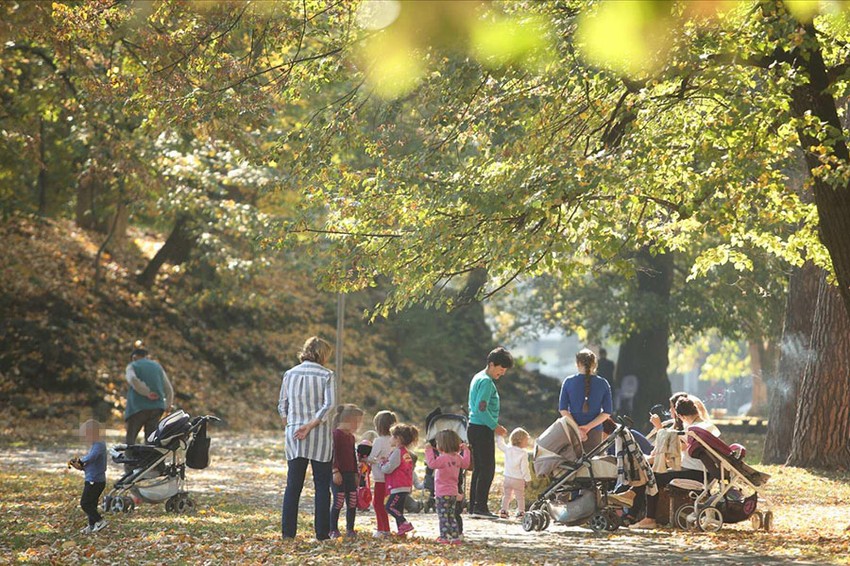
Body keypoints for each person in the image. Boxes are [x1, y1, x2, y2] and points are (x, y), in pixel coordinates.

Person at [631, 397, 721, 529]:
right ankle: (633, 502)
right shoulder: (707, 426)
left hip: (696, 473)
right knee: (655, 474)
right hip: (704, 472)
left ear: (681, 416)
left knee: (652, 478)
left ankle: (649, 518)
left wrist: (659, 428)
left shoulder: (692, 430)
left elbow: (675, 447)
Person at [279, 336, 336, 540]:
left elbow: (282, 405)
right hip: (319, 435)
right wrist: (311, 425)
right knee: (322, 485)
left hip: (295, 435)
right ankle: (322, 533)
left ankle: (288, 533)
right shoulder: (327, 375)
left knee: (293, 485)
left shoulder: (290, 374)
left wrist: (291, 426)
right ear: (322, 354)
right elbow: (329, 405)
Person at [467, 346, 513, 518]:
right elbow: (481, 409)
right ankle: (480, 507)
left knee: (479, 468)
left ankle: (474, 506)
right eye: (501, 369)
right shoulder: (486, 382)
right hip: (482, 428)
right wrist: (495, 426)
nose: (502, 373)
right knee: (487, 469)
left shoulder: (477, 377)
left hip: (474, 427)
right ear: (492, 364)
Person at [558, 348, 613, 453]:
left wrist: (577, 428)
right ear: (594, 364)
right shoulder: (603, 383)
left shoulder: (568, 382)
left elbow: (563, 409)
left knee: (570, 461)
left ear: (578, 364)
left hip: (571, 431)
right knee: (593, 461)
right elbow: (607, 412)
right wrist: (587, 427)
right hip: (595, 432)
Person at [425, 430, 470, 544]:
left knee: (443, 516)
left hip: (442, 493)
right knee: (451, 515)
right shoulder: (457, 458)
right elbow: (466, 464)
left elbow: (431, 464)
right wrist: (466, 450)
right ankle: (455, 537)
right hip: (453, 492)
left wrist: (428, 450)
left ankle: (444, 537)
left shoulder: (443, 459)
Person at [124, 344, 174, 447]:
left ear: (134, 357)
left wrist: (146, 392)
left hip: (137, 408)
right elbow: (168, 388)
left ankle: (128, 457)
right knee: (151, 439)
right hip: (157, 407)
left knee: (131, 439)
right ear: (146, 356)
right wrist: (168, 404)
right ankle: (150, 457)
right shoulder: (157, 366)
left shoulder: (132, 366)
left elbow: (132, 379)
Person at [330, 404, 364, 539]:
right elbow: (333, 454)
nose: (358, 425)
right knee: (338, 501)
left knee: (352, 501)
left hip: (350, 474)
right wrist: (335, 471)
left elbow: (352, 456)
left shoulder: (351, 437)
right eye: (357, 422)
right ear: (348, 420)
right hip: (338, 474)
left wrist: (356, 473)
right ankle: (333, 529)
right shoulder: (336, 435)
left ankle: (350, 529)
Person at [68, 419, 108, 534]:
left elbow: (92, 457)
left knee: (85, 503)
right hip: (92, 479)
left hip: (95, 481)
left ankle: (100, 521)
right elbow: (91, 464)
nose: (85, 438)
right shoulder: (96, 445)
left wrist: (81, 460)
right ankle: (92, 525)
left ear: (92, 433)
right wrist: (80, 466)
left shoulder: (99, 445)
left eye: (86, 435)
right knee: (92, 503)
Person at [380, 423, 419, 536]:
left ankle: (404, 523)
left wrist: (381, 465)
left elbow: (389, 468)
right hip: (404, 485)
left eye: (392, 436)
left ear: (398, 439)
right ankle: (401, 531)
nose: (390, 439)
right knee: (398, 508)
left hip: (398, 486)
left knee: (390, 507)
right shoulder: (404, 452)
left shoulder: (398, 452)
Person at [368, 410, 397, 537]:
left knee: (377, 503)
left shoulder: (379, 441)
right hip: (391, 477)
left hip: (380, 477)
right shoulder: (394, 441)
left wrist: (365, 459)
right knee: (385, 503)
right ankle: (385, 528)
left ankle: (383, 529)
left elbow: (371, 457)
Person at [496, 427, 532, 519]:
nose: (527, 442)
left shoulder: (508, 449)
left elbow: (500, 445)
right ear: (521, 441)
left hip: (507, 477)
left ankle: (504, 511)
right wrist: (528, 479)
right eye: (526, 440)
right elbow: (524, 468)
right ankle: (521, 512)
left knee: (506, 495)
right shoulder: (523, 453)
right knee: (520, 497)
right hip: (518, 479)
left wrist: (500, 436)